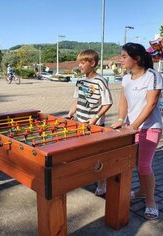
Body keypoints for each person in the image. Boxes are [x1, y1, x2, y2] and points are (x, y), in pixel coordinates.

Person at [110, 43, 163, 220]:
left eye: (124, 56)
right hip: (131, 129)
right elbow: (123, 101)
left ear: (137, 58)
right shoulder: (126, 79)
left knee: (144, 165)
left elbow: (151, 104)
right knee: (135, 163)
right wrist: (120, 120)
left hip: (150, 128)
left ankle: (151, 202)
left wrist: (134, 127)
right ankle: (141, 191)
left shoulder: (152, 76)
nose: (121, 59)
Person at [66, 49, 113, 197]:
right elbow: (77, 100)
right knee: (81, 152)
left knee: (97, 155)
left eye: (82, 62)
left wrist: (95, 118)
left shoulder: (100, 81)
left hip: (95, 125)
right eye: (79, 62)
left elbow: (108, 103)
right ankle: (85, 177)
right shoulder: (80, 81)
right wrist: (70, 114)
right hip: (79, 123)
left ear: (92, 63)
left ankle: (102, 183)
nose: (79, 65)